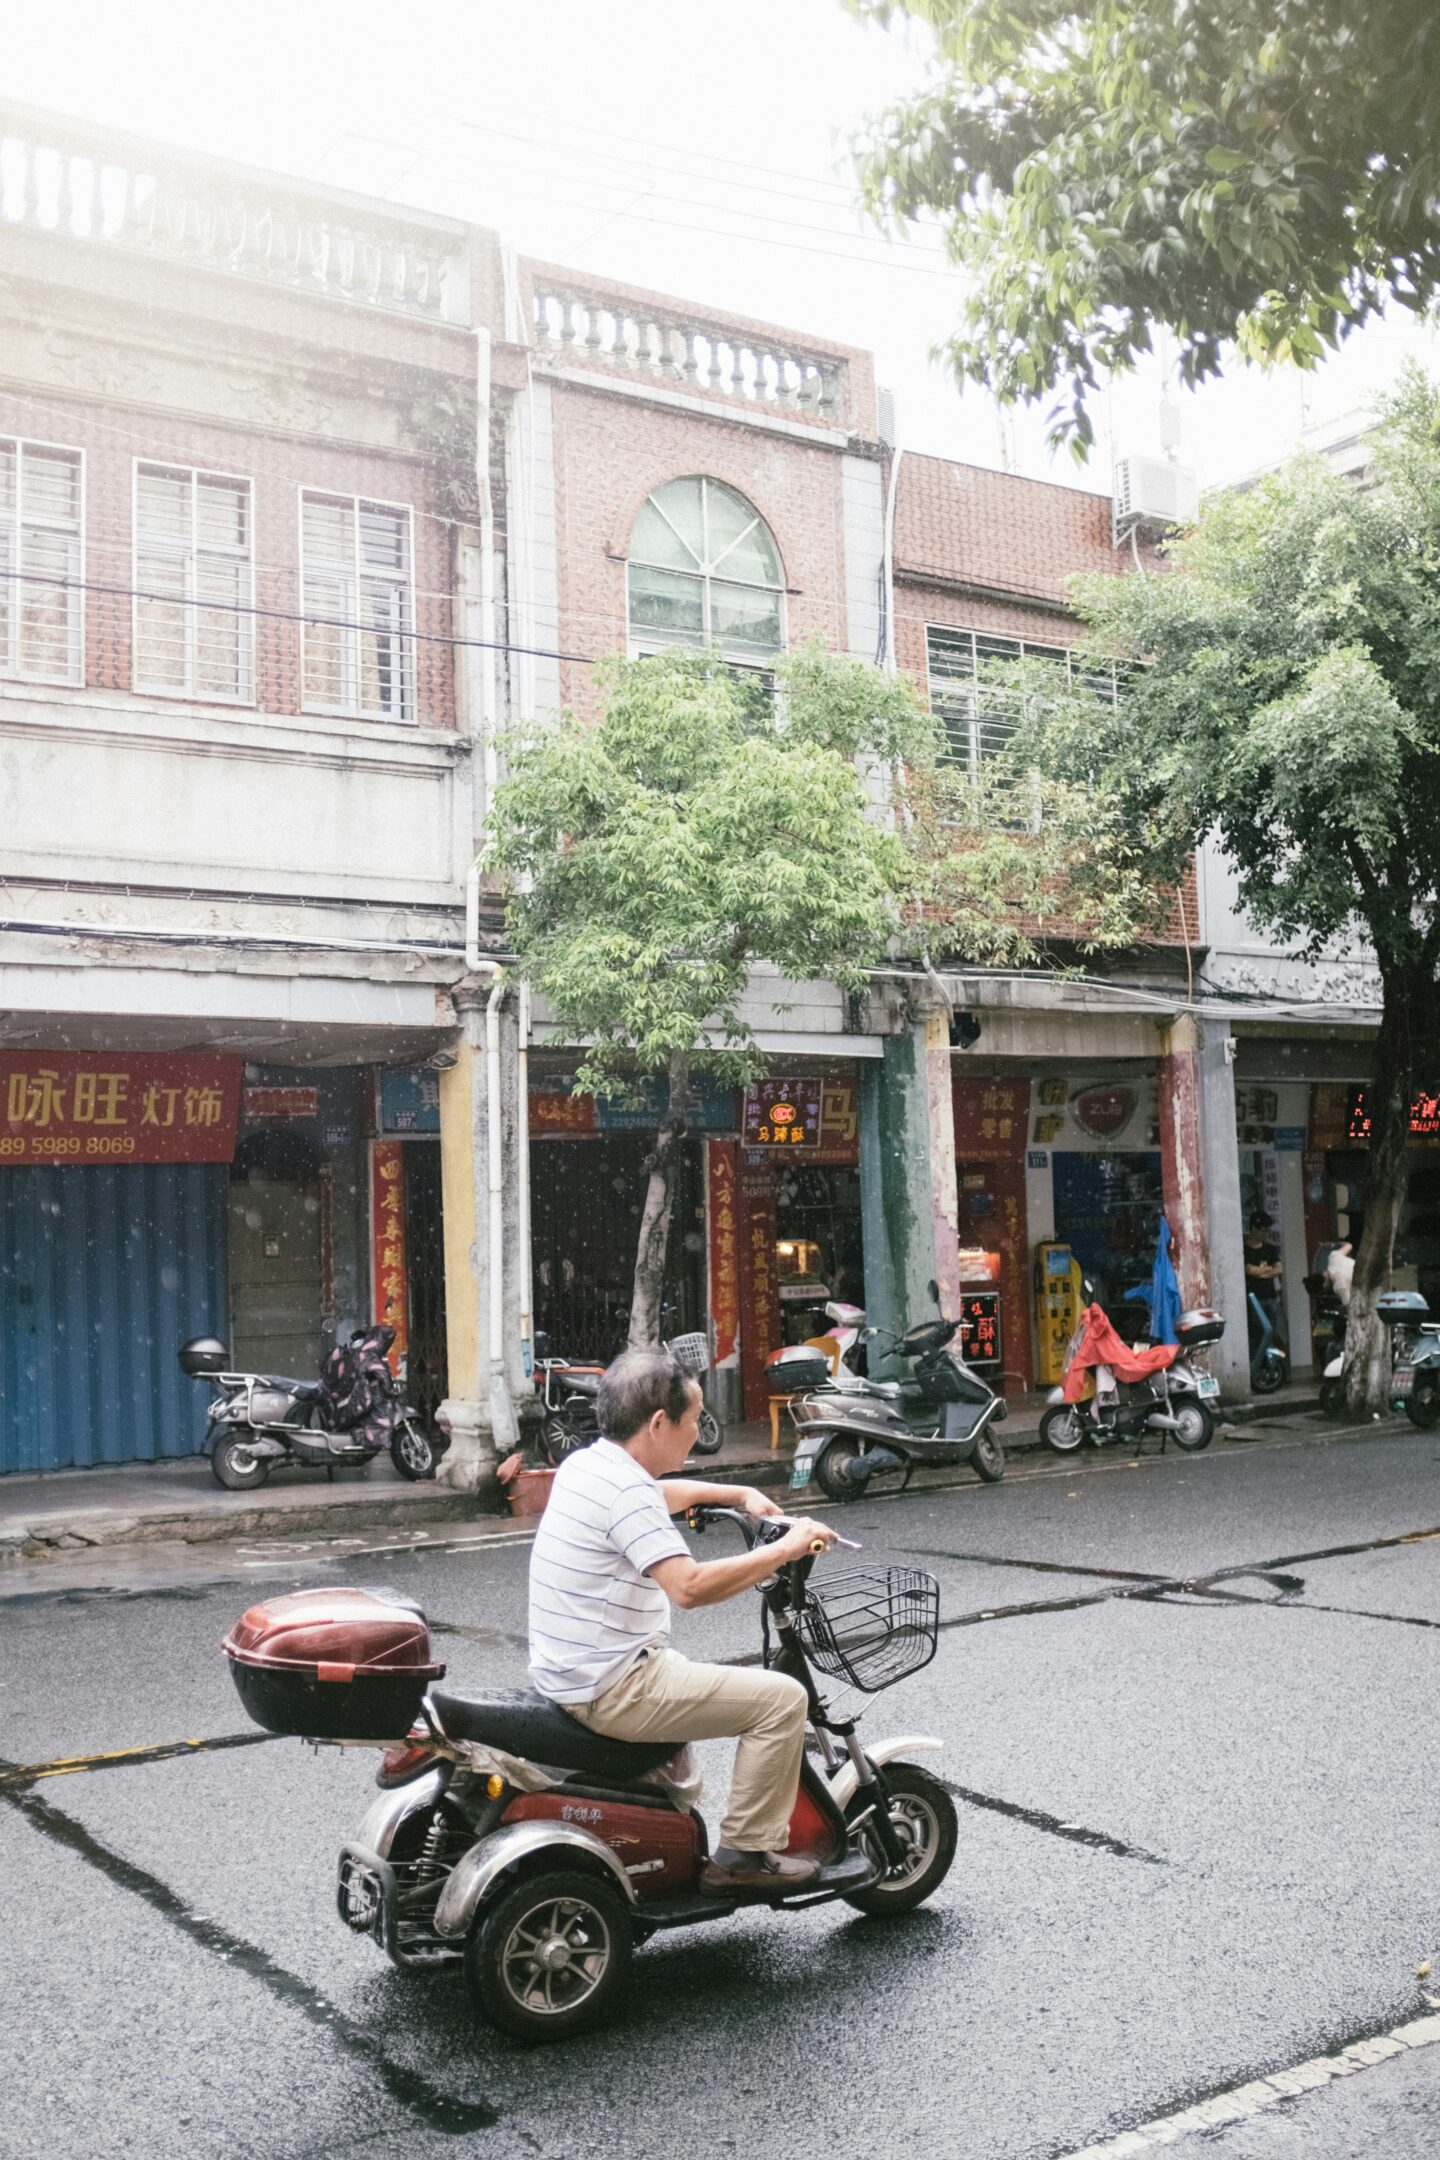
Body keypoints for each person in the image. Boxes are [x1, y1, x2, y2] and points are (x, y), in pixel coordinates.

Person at [528, 1346, 839, 1898]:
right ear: (656, 1423)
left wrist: (738, 1494)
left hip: (575, 1671)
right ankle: (744, 1854)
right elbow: (689, 1588)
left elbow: (658, 1496)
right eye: (692, 1421)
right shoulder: (625, 1490)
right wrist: (787, 1549)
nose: (697, 1433)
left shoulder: (590, 1464)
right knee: (782, 1699)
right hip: (614, 1686)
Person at [1244, 1210, 1284, 1347]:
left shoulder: (1270, 1249)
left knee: (1273, 1332)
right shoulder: (1245, 1250)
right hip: (1254, 1299)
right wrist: (1268, 1269)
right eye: (1263, 1230)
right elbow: (1250, 1270)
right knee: (1257, 1333)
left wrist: (1261, 1272)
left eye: (1267, 1231)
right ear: (1254, 1228)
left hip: (1271, 1296)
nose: (1266, 1234)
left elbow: (1279, 1269)